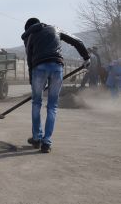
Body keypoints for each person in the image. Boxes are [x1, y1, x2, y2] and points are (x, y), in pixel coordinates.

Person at [21, 18, 90, 153]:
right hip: (57, 67)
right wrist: (86, 57)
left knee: (36, 103)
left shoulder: (30, 37)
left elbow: (30, 60)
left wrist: (32, 81)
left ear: (29, 28)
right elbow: (77, 41)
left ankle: (36, 138)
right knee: (52, 106)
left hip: (38, 68)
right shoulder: (55, 29)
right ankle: (46, 142)